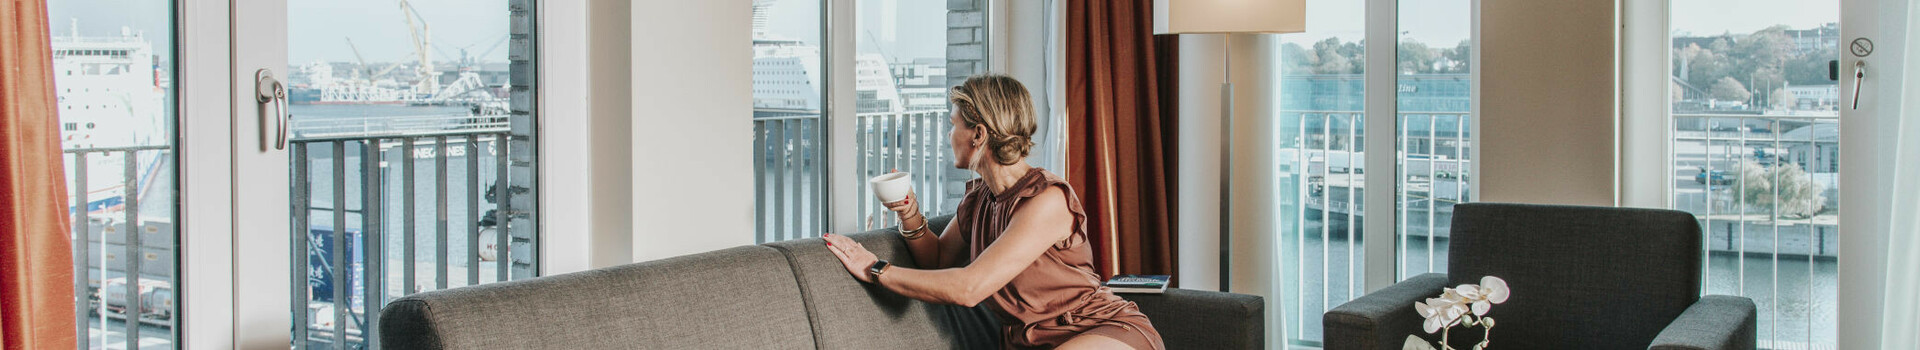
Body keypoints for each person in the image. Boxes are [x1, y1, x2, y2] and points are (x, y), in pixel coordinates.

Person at [821, 74, 1163, 350]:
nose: (948, 135)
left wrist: (876, 269)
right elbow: (938, 260)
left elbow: (968, 288)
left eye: (954, 124)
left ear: (979, 135)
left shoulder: (1046, 200)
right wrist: (909, 212)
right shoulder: (980, 199)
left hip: (1100, 331)